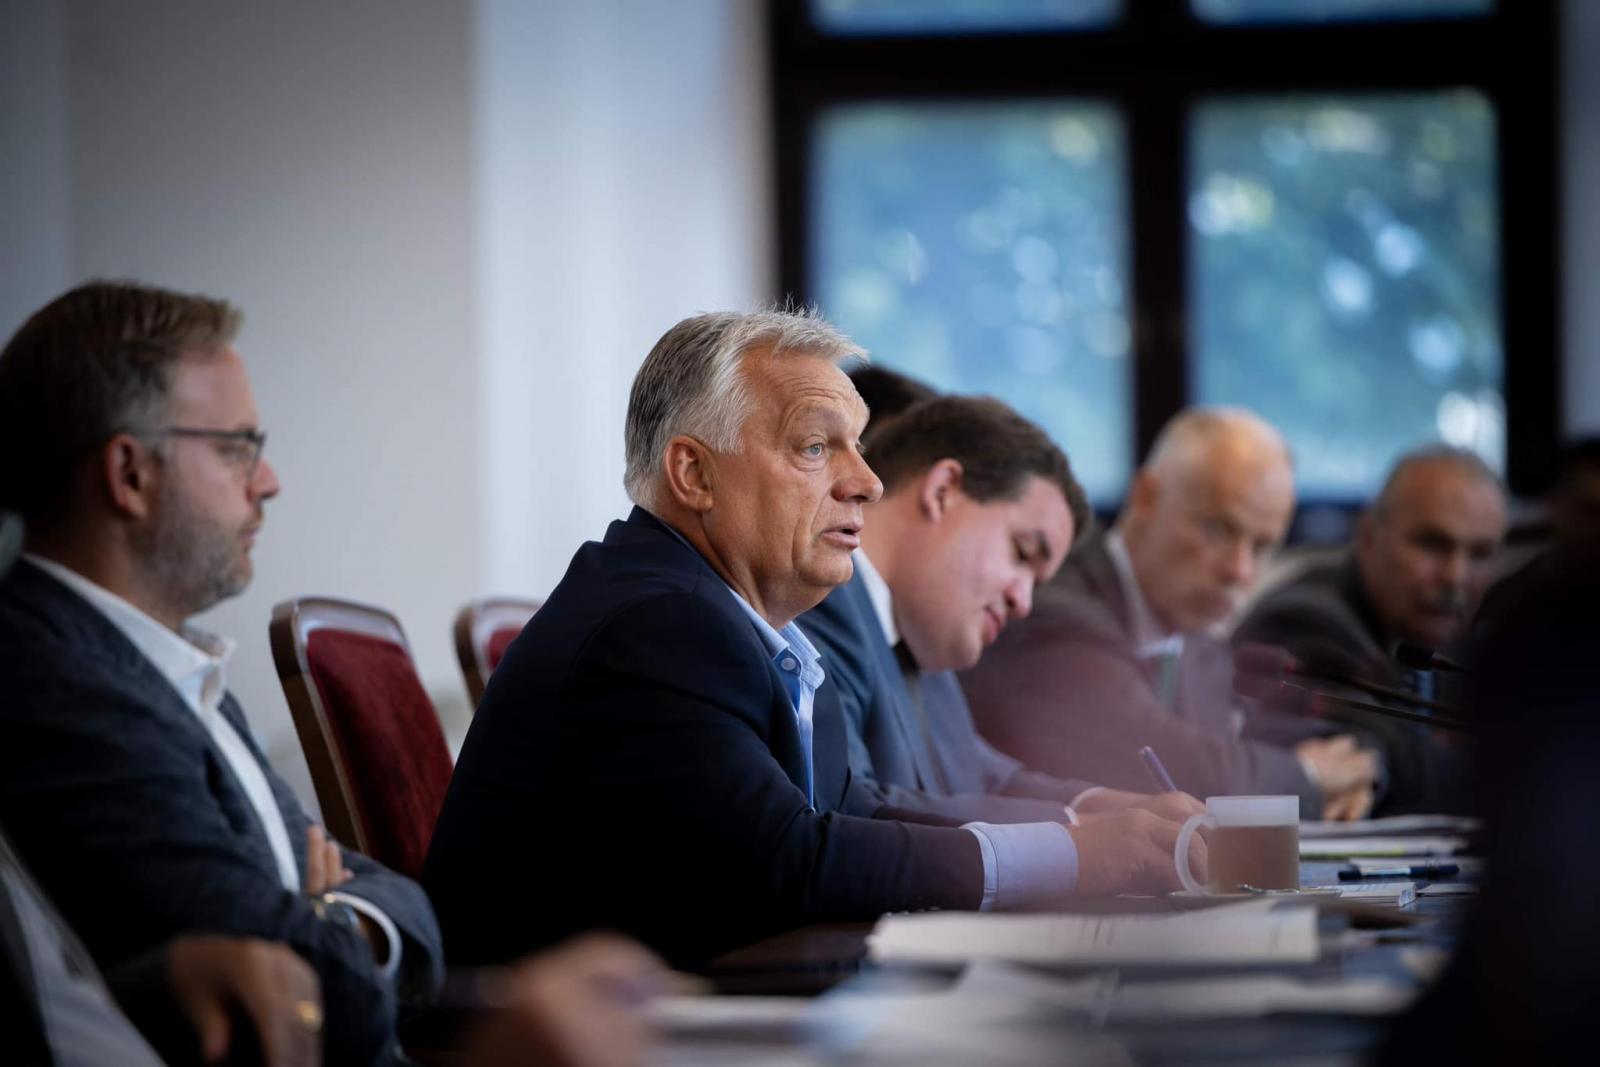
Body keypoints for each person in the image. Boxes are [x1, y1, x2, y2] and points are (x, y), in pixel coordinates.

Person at [0, 282, 658, 1067]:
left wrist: (330, 911)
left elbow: (396, 903)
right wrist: (327, 919)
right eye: (237, 447)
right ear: (129, 473)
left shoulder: (160, 660)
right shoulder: (60, 684)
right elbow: (287, 989)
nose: (268, 480)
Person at [424, 310, 1195, 969]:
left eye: (857, 445)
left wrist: (1077, 835)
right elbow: (787, 862)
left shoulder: (744, 624)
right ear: (694, 474)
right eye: (816, 447)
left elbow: (852, 810)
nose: (868, 481)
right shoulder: (655, 623)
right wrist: (1071, 855)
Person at [799, 395, 1202, 828]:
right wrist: (1078, 828)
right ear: (942, 492)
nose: (1023, 602)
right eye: (1022, 553)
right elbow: (853, 810)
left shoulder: (919, 641)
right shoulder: (816, 606)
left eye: (1036, 583)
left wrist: (1100, 806)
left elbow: (982, 775)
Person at [963, 408, 1379, 820]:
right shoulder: (1053, 608)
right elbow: (1171, 767)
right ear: (1146, 496)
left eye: (1261, 546)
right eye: (1218, 529)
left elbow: (1262, 739)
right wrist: (1309, 777)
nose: (1240, 570)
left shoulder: (1197, 639)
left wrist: (1362, 770)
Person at [1234, 447, 1505, 813]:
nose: (1455, 577)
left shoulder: (1468, 642)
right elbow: (1373, 755)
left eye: (1480, 553)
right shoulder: (1306, 618)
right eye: (1432, 544)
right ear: (1367, 535)